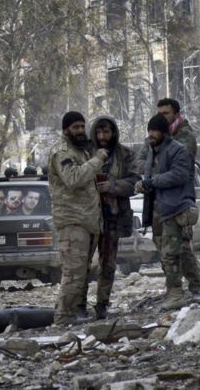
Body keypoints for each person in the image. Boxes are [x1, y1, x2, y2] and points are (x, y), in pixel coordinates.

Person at [137, 113, 200, 310]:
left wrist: (152, 182)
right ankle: (176, 291)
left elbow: (180, 174)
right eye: (149, 131)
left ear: (164, 132)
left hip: (176, 208)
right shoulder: (152, 151)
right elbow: (141, 167)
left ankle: (189, 290)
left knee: (178, 252)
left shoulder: (178, 150)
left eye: (155, 131)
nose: (151, 135)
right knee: (166, 253)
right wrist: (144, 184)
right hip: (158, 210)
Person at [47, 111, 108, 326]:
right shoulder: (62, 151)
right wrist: (97, 160)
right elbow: (73, 179)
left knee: (81, 273)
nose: (81, 131)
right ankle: (64, 316)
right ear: (66, 130)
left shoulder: (80, 150)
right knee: (73, 273)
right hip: (72, 221)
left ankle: (71, 314)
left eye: (82, 126)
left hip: (86, 221)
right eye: (76, 127)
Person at [80, 115, 139, 320]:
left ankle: (102, 304)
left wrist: (112, 186)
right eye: (98, 132)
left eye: (106, 132)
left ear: (113, 133)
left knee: (108, 264)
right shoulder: (85, 152)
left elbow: (135, 182)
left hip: (112, 216)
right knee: (83, 263)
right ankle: (79, 305)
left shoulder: (125, 154)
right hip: (88, 216)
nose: (102, 136)